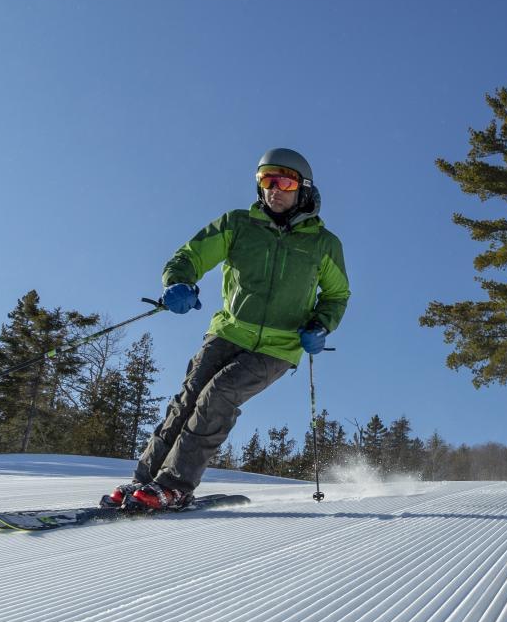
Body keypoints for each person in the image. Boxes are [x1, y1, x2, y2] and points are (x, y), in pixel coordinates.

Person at [108, 147, 351, 509]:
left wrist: (321, 324)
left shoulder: (323, 243)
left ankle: (175, 486)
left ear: (304, 188)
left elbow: (337, 293)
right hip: (228, 331)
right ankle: (143, 483)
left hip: (278, 347)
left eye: (285, 181)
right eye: (267, 180)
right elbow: (189, 256)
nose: (275, 189)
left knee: (218, 395)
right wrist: (178, 282)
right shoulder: (237, 224)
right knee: (187, 400)